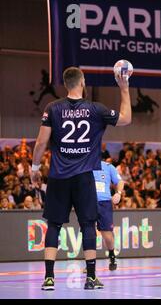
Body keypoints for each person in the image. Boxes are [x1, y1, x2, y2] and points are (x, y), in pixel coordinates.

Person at [31, 66, 131, 290]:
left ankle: (49, 278)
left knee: (54, 225)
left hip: (58, 176)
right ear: (82, 81)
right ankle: (91, 277)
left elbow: (40, 143)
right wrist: (124, 88)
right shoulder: (95, 110)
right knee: (87, 224)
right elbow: (125, 119)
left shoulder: (52, 108)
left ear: (65, 84)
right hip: (85, 176)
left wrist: (35, 167)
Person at [93, 161, 124, 271]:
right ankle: (90, 264)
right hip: (87, 202)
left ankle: (112, 255)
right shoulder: (83, 164)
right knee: (89, 233)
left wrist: (118, 193)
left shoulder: (108, 166)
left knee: (107, 236)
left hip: (104, 203)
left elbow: (120, 181)